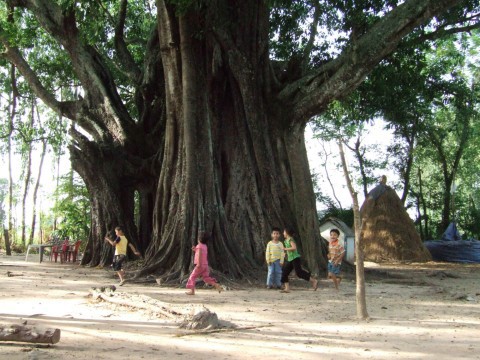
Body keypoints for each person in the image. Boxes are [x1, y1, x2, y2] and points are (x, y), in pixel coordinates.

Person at [280, 227, 318, 293]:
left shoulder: (291, 239)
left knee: (299, 273)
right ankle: (287, 288)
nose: (283, 233)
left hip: (295, 258)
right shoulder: (286, 240)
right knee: (285, 272)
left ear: (287, 233)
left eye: (284, 232)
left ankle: (313, 280)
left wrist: (285, 249)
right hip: (290, 259)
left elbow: (294, 248)